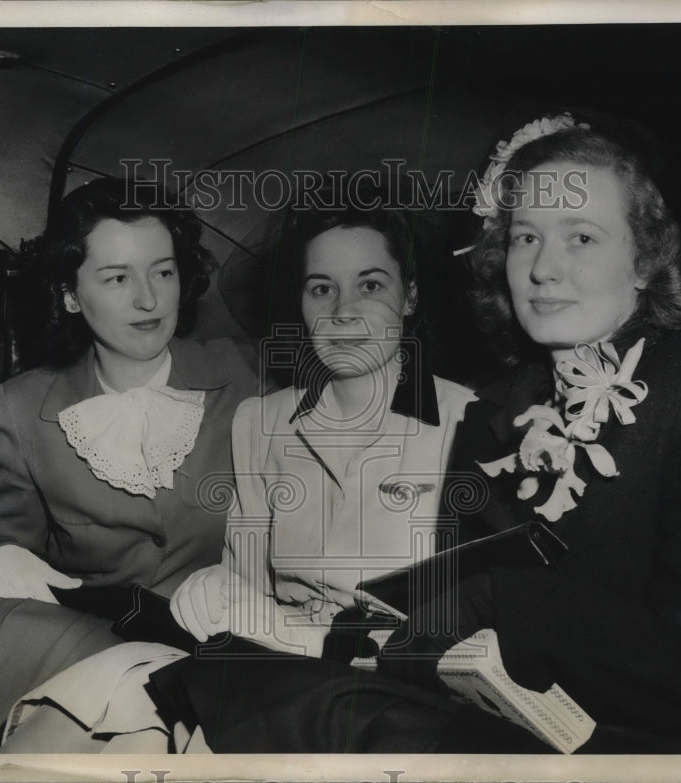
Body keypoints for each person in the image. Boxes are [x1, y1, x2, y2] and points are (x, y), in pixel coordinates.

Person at [150, 113, 681, 753]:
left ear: (645, 259)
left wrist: (505, 604)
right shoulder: (494, 410)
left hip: (641, 750)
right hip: (491, 722)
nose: (543, 268)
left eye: (580, 237)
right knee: (229, 691)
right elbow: (440, 629)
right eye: (525, 238)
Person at [0, 177, 264, 753]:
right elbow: (1, 545)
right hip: (87, 638)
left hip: (219, 649)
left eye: (162, 272)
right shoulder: (22, 407)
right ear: (70, 294)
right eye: (117, 278)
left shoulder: (250, 377)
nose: (148, 299)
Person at [168, 204, 477, 657]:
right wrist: (218, 588)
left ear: (409, 296)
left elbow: (470, 620)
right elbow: (246, 584)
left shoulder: (469, 421)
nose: (342, 312)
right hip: (277, 667)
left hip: (403, 680)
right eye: (321, 288)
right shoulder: (261, 423)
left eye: (370, 285)